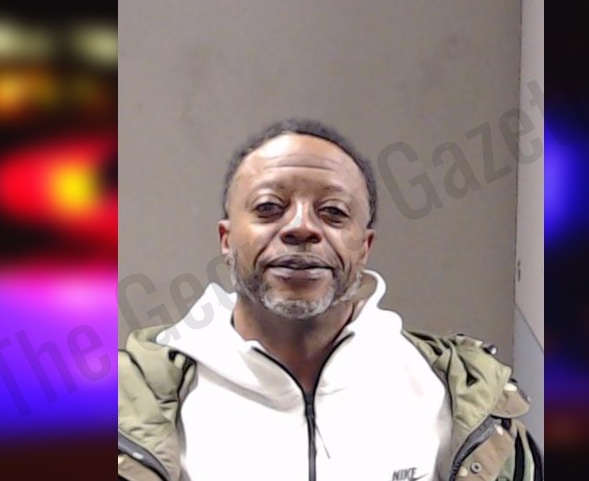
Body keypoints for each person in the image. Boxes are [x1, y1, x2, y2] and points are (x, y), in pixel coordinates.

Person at [118, 119, 542, 481]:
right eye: (269, 207)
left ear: (365, 246)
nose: (301, 228)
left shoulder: (457, 395)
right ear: (226, 240)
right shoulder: (131, 403)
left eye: (334, 212)